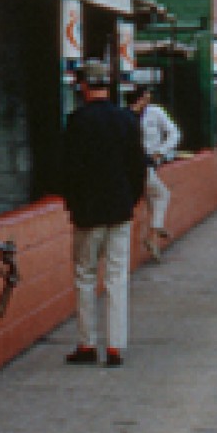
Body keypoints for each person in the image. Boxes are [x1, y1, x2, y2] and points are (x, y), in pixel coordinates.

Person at [59, 59, 147, 365]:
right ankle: (115, 346)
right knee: (116, 277)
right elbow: (138, 168)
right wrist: (130, 199)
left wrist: (73, 203)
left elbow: (68, 169)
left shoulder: (76, 122)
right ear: (107, 85)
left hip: (87, 212)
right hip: (120, 208)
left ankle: (86, 344)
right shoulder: (127, 120)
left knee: (85, 276)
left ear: (83, 85)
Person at [131, 84, 182, 261]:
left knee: (154, 197)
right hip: (138, 164)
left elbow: (174, 133)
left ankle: (154, 234)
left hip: (150, 162)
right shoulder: (126, 115)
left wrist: (161, 151)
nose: (148, 99)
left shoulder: (155, 112)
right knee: (162, 194)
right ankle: (155, 231)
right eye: (145, 96)